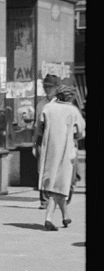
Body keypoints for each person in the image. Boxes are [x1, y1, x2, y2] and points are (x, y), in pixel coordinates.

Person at [33, 85, 85, 231]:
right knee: (60, 185)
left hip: (49, 149)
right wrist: (73, 135)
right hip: (67, 150)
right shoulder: (72, 110)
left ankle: (65, 216)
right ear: (70, 97)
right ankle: (48, 219)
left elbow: (39, 128)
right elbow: (81, 131)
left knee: (54, 184)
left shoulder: (47, 108)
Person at [33, 74, 60, 209]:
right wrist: (34, 143)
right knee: (42, 170)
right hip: (42, 139)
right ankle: (44, 201)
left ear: (56, 88)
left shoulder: (61, 103)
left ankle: (56, 198)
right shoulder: (41, 104)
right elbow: (37, 126)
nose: (47, 89)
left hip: (57, 140)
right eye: (45, 86)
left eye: (50, 87)